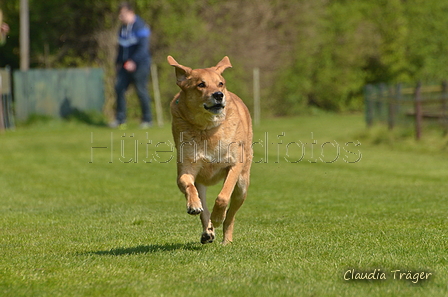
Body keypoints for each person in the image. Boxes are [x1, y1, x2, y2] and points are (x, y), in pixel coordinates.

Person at [110, 2, 152, 129]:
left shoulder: (140, 26)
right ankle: (120, 119)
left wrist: (133, 61)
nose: (120, 18)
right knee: (119, 88)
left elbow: (143, 48)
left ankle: (147, 120)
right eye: (119, 15)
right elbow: (121, 48)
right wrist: (118, 63)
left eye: (122, 15)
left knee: (141, 91)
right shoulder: (122, 29)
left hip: (140, 65)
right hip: (124, 65)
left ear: (131, 13)